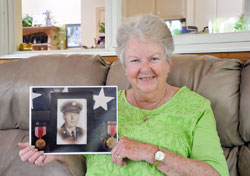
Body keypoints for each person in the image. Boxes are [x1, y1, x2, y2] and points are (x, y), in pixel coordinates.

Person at [18, 15, 229, 176]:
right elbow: (83, 159)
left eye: (154, 59)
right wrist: (58, 153)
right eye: (135, 61)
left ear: (168, 63)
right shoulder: (101, 105)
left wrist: (151, 153)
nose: (145, 69)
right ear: (125, 67)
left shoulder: (196, 108)